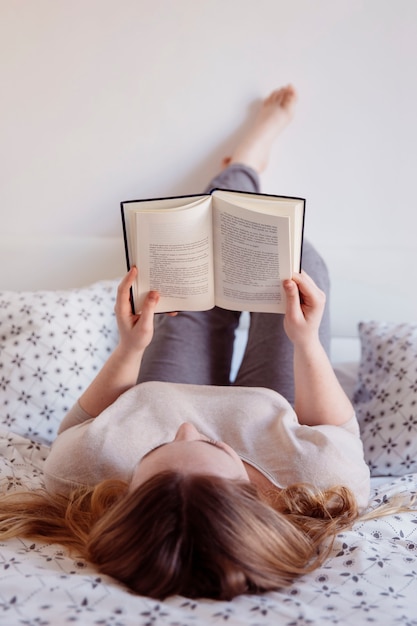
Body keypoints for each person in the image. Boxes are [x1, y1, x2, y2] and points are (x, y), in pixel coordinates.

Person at [0, 86, 371, 601]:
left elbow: (80, 426)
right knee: (302, 269)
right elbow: (337, 426)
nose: (186, 427)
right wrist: (305, 342)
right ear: (257, 496)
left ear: (128, 493)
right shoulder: (318, 482)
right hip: (274, 413)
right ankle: (243, 178)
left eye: (157, 451)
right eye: (210, 446)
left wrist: (130, 347)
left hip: (163, 389)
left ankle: (237, 173)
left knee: (205, 244)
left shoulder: (85, 476)